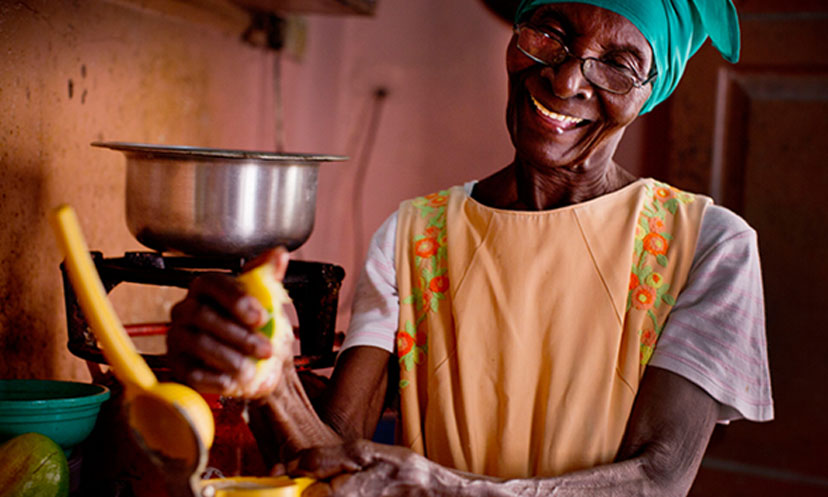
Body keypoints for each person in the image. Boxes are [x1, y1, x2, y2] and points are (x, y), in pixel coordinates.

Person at [167, 0, 773, 495]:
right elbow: (329, 458)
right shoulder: (416, 234)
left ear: (650, 91)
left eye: (617, 64)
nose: (566, 80)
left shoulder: (707, 247)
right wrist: (271, 381)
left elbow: (657, 479)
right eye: (551, 33)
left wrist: (440, 489)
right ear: (517, 39)